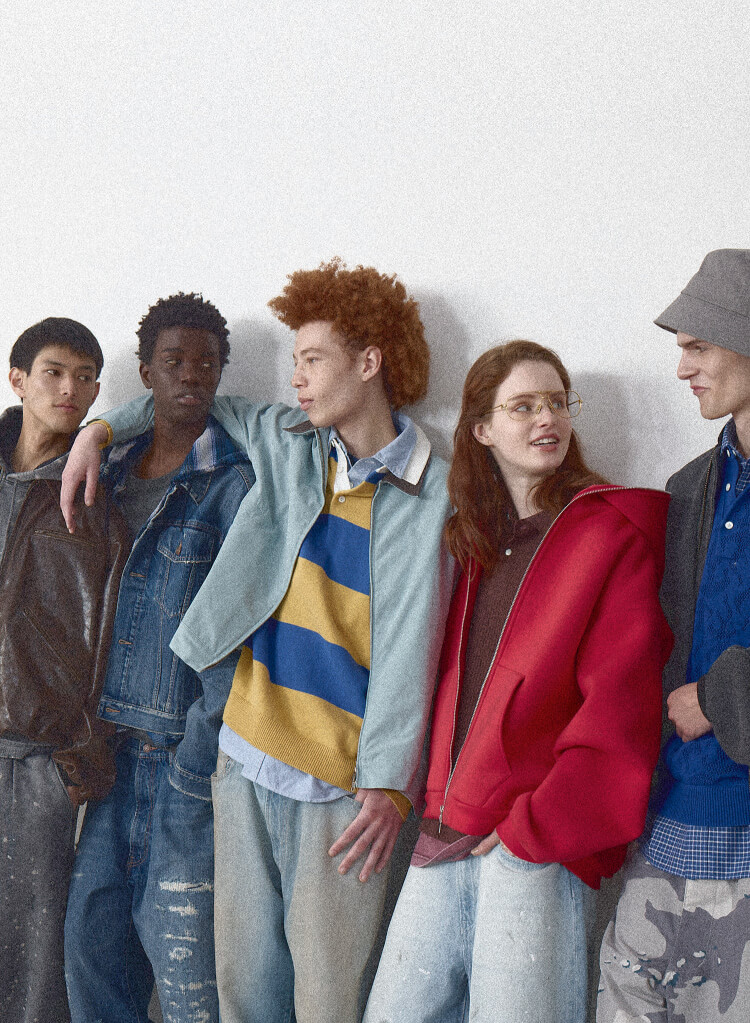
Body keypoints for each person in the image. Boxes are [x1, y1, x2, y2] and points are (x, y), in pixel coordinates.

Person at [60, 259, 455, 1023]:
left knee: (327, 997)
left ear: (369, 362)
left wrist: (388, 779)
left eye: (313, 359)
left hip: (342, 784)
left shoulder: (432, 488)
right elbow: (183, 401)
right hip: (241, 755)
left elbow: (418, 638)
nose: (295, 377)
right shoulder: (287, 439)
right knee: (242, 990)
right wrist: (97, 431)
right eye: (294, 360)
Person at [364, 340, 673, 1023]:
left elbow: (621, 705)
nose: (547, 419)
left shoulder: (607, 535)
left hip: (531, 849)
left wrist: (531, 829)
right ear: (482, 428)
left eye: (558, 402)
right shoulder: (473, 541)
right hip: (443, 833)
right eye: (524, 406)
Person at [63, 293, 253, 1023]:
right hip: (105, 755)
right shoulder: (107, 473)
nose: (191, 374)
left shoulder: (234, 483)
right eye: (174, 360)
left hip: (181, 758)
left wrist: (196, 758)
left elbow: (236, 630)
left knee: (187, 977)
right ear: (145, 372)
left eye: (207, 362)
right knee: (90, 955)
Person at [598, 249, 750, 1022]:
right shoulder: (691, 486)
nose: (682, 368)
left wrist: (719, 695)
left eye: (698, 346)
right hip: (671, 820)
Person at [0, 318, 129, 1023]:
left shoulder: (97, 499)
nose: (69, 389)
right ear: (17, 379)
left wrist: (80, 748)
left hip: (38, 756)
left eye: (85, 378)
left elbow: (110, 632)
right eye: (53, 371)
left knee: (33, 960)